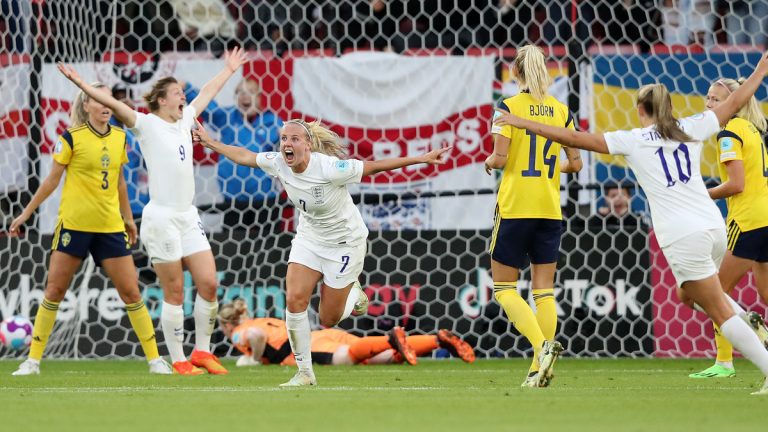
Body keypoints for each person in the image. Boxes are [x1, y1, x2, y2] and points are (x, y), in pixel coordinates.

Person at [493, 51, 768, 396]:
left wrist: (523, 123)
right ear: (670, 108)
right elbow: (737, 101)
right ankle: (746, 317)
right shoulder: (693, 126)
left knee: (717, 308)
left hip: (684, 234)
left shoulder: (634, 140)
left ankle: (765, 362)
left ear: (641, 110)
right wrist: (759, 70)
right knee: (689, 296)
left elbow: (575, 139)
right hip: (714, 227)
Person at [193, 118, 450, 386]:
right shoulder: (279, 163)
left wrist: (422, 159)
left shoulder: (329, 168)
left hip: (344, 243)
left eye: (294, 139)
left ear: (308, 144)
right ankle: (305, 373)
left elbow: (373, 167)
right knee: (294, 300)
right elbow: (245, 156)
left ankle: (353, 293)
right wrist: (210, 142)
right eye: (283, 139)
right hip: (309, 238)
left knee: (328, 319)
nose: (287, 144)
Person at [56, 47, 248, 375]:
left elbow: (206, 92)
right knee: (174, 291)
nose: (183, 97)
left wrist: (229, 70)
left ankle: (202, 352)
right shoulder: (145, 124)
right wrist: (80, 85)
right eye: (177, 93)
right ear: (161, 100)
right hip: (161, 219)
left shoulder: (186, 119)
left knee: (209, 283)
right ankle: (178, 359)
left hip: (188, 216)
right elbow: (116, 106)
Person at [9, 83, 171, 376]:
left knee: (131, 292)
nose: (106, 105)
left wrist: (128, 219)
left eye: (108, 99)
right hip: (74, 226)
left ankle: (155, 360)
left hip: (109, 228)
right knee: (55, 290)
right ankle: (32, 361)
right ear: (87, 106)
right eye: (99, 100)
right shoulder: (71, 138)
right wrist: (26, 213)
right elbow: (51, 181)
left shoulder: (121, 138)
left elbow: (120, 181)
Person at [484, 44, 583, 388]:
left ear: (515, 72)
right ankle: (535, 368)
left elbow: (499, 157)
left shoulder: (508, 107)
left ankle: (541, 348)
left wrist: (489, 162)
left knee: (504, 287)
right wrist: (550, 170)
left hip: (516, 206)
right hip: (550, 208)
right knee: (544, 290)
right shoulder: (561, 110)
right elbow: (577, 162)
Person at [688, 77, 768, 379]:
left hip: (747, 221)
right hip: (766, 216)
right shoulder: (751, 129)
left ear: (733, 103)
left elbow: (736, 184)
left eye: (716, 100)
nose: (709, 105)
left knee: (713, 294)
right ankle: (753, 330)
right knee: (766, 293)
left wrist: (699, 194)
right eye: (708, 98)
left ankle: (725, 361)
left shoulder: (729, 133)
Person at [217, 299, 475, 366]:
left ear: (228, 324)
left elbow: (256, 339)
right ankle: (437, 340)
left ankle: (389, 338)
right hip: (321, 335)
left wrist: (253, 359)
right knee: (382, 358)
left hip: (307, 347)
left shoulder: (240, 331)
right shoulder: (261, 319)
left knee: (345, 358)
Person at [183, 78, 283, 230]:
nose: (245, 96)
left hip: (266, 201)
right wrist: (187, 87)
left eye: (250, 92)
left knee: (268, 249)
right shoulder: (228, 117)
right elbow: (208, 107)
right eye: (240, 92)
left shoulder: (273, 122)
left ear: (259, 97)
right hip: (233, 201)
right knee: (235, 249)